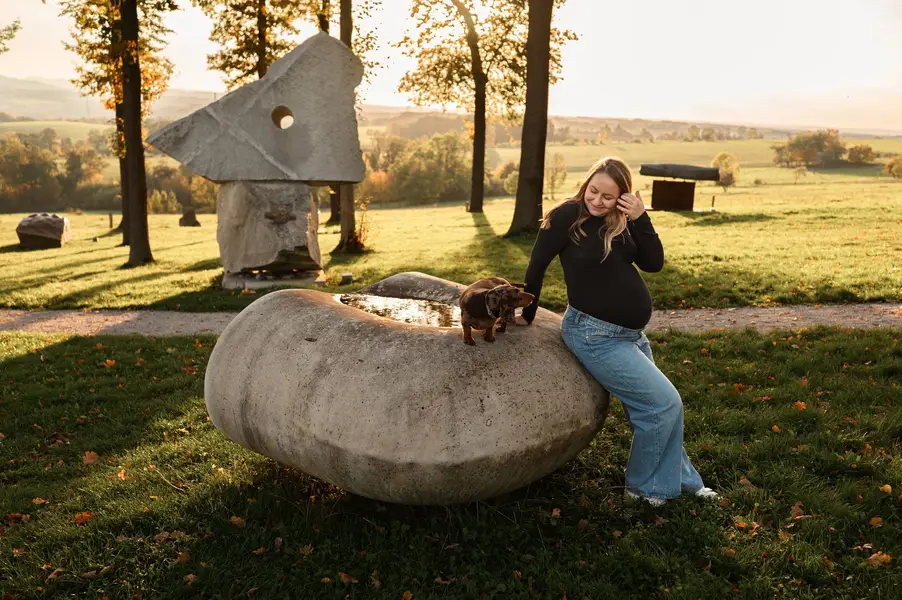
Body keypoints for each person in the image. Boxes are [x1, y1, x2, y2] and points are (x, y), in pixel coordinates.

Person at [517, 156, 718, 507]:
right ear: (586, 184)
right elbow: (536, 268)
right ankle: (643, 492)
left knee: (658, 410)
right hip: (593, 335)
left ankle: (683, 482)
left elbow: (653, 263)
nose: (597, 201)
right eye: (593, 191)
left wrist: (640, 217)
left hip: (628, 336)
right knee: (663, 405)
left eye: (608, 197)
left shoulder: (622, 223)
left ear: (622, 198)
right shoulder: (566, 217)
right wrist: (528, 313)